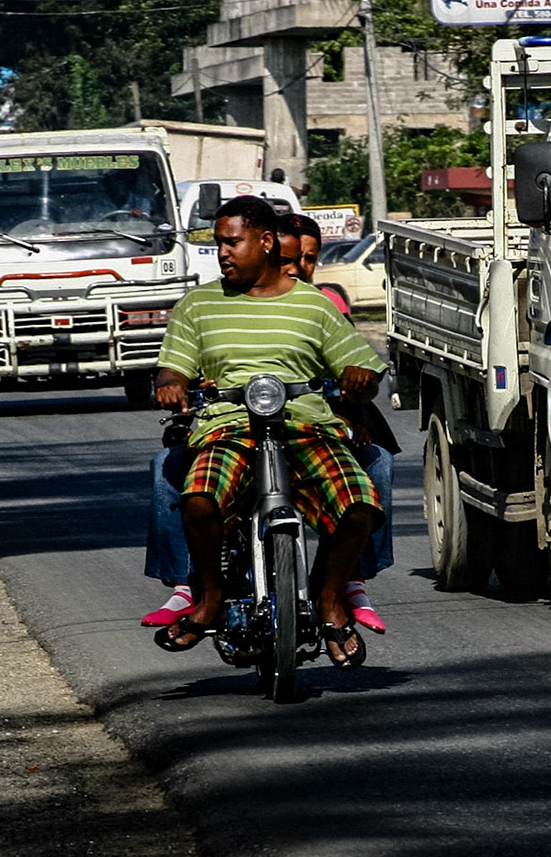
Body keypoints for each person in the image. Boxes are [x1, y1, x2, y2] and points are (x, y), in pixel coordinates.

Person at [150, 195, 382, 666]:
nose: (223, 253)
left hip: (306, 429)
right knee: (198, 499)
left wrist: (361, 377)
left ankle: (331, 598)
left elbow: (361, 365)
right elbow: (171, 370)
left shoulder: (313, 306)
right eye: (218, 243)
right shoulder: (198, 306)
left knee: (359, 506)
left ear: (266, 241)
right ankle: (210, 597)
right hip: (228, 430)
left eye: (232, 242)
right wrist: (171, 386)